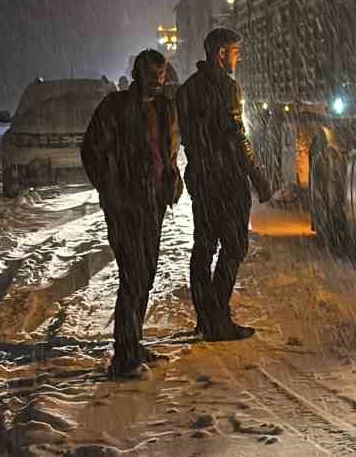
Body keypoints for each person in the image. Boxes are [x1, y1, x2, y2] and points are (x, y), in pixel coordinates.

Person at [81, 49, 182, 378]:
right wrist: (113, 192)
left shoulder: (165, 108)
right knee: (133, 275)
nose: (157, 83)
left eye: (162, 76)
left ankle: (134, 343)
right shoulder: (115, 108)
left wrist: (172, 176)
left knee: (147, 274)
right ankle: (124, 355)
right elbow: (92, 151)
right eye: (152, 76)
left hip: (153, 203)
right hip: (125, 206)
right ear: (138, 75)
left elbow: (168, 151)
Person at [176, 27, 273, 341]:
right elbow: (236, 135)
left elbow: (184, 138)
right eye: (234, 51)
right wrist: (256, 174)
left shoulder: (187, 89)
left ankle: (206, 317)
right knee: (234, 246)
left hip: (201, 177)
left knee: (204, 247)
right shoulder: (227, 88)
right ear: (220, 54)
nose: (238, 57)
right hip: (226, 178)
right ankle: (218, 318)